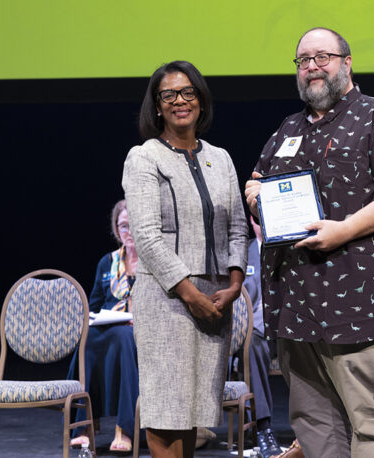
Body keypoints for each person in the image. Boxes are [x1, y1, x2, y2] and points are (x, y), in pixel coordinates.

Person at [244, 27, 374, 458]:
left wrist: (343, 230)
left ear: (347, 62)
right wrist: (255, 197)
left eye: (322, 57)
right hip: (295, 308)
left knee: (370, 419)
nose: (312, 67)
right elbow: (258, 186)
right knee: (313, 422)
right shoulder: (286, 130)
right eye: (303, 60)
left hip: (359, 305)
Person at [122, 60, 248, 458]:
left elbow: (238, 228)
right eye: (169, 95)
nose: (180, 101)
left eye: (188, 92)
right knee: (165, 410)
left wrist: (235, 284)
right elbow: (146, 235)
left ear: (201, 99)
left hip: (216, 300)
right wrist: (190, 293)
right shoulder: (144, 157)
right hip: (168, 300)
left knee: (194, 412)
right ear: (157, 106)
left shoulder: (221, 158)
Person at [68, 199, 139, 452]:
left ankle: (125, 429)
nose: (128, 231)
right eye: (123, 226)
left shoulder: (153, 263)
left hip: (142, 331)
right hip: (111, 326)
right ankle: (84, 426)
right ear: (116, 230)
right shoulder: (107, 262)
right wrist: (95, 318)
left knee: (122, 337)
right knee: (87, 339)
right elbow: (95, 305)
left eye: (133, 225)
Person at [240, 216, 282, 458]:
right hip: (255, 331)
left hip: (287, 328)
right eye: (258, 219)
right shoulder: (243, 253)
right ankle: (263, 428)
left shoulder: (289, 248)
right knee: (251, 346)